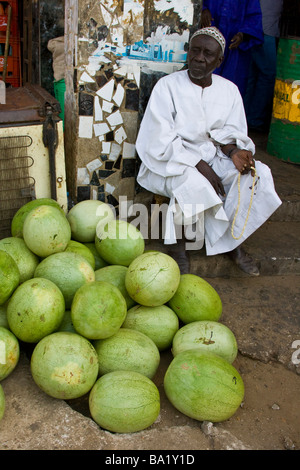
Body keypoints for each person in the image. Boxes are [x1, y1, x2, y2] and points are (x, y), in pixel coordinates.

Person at [135, 27, 282, 276]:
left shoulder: (229, 90)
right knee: (193, 182)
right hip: (170, 159)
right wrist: (198, 164)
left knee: (257, 175)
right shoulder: (167, 86)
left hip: (214, 156)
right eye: (195, 50)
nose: (199, 57)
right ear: (188, 52)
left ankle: (232, 241)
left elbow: (229, 132)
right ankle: (178, 247)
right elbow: (158, 138)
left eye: (207, 53)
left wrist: (235, 151)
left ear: (219, 60)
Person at [200, 0, 264, 96]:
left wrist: (243, 34)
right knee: (202, 83)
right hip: (207, 39)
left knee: (231, 88)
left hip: (234, 48)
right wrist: (202, 10)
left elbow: (254, 17)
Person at [244, 0, 284, 132]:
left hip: (262, 28)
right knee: (268, 74)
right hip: (262, 29)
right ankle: (254, 119)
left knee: (254, 75)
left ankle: (246, 117)